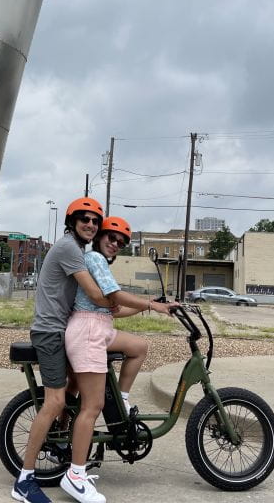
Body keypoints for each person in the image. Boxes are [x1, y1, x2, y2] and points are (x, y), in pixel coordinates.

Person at [61, 216, 176, 503]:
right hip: (88, 330)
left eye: (122, 242)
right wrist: (153, 304)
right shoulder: (96, 259)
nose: (116, 244)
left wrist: (144, 310)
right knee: (93, 406)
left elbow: (113, 309)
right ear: (100, 236)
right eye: (112, 238)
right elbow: (115, 295)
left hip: (99, 326)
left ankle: (122, 396)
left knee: (138, 346)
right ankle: (75, 476)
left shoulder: (97, 262)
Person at [12, 197, 111, 503]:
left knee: (78, 386)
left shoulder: (79, 250)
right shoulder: (69, 247)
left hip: (61, 329)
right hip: (50, 332)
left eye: (95, 221)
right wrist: (124, 303)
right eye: (84, 219)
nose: (91, 224)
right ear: (72, 222)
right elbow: (95, 294)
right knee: (54, 401)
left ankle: (62, 442)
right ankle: (25, 480)